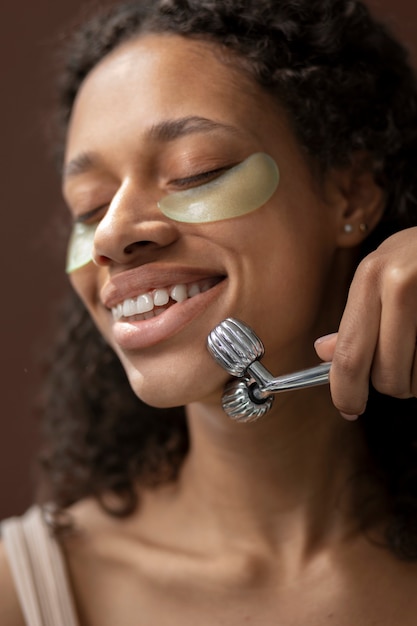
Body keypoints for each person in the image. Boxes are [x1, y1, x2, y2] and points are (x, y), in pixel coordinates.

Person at [1, 0, 417, 624]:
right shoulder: (21, 589)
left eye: (197, 172)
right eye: (88, 207)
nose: (112, 234)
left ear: (349, 191)